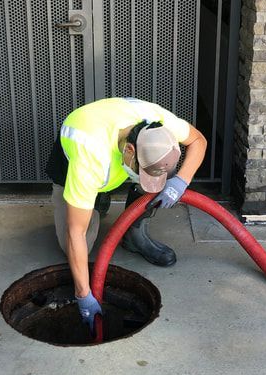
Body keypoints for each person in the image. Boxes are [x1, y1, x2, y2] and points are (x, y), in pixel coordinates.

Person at [45, 97, 207, 332]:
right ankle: (96, 199)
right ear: (130, 150)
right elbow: (75, 232)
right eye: (145, 173)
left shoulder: (160, 124)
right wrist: (83, 294)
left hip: (118, 160)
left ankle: (134, 235)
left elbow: (198, 140)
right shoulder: (89, 159)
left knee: (158, 180)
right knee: (78, 244)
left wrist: (181, 181)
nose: (152, 182)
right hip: (77, 163)